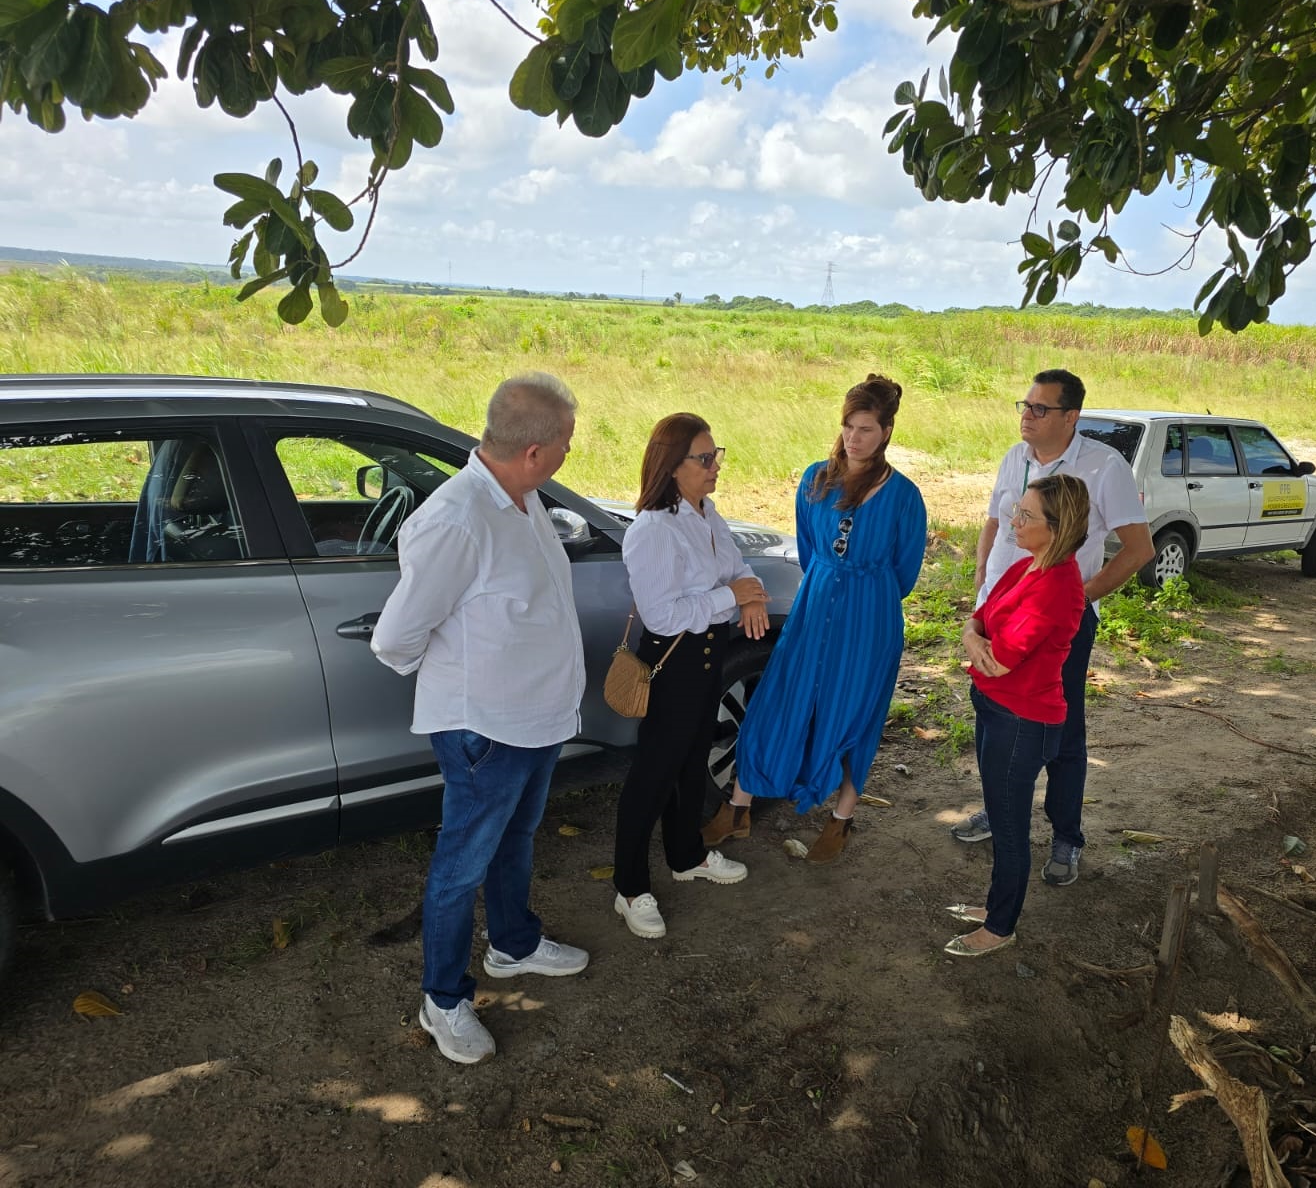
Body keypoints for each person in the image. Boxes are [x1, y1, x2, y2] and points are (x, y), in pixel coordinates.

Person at [371, 373, 591, 1066]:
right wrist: (467, 684)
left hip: (535, 718)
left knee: (515, 840)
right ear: (534, 451)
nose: (566, 456)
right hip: (486, 729)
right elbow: (397, 638)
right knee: (461, 865)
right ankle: (442, 999)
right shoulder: (459, 518)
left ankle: (513, 944)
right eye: (564, 445)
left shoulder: (518, 500)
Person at [706, 373, 927, 863]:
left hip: (870, 619)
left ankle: (840, 820)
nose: (854, 437)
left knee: (853, 714)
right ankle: (737, 809)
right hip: (815, 604)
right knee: (779, 701)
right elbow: (809, 550)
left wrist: (859, 590)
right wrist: (832, 581)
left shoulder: (904, 496)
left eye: (866, 428)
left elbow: (905, 571)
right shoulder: (815, 479)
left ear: (887, 431)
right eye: (849, 426)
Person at [951, 369, 1154, 887]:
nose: (1027, 415)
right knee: (994, 716)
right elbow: (995, 523)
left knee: (1058, 730)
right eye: (1025, 404)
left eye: (1040, 408)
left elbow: (1138, 550)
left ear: (1071, 417)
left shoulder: (1103, 467)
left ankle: (1066, 837)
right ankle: (999, 815)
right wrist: (982, 582)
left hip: (1054, 621)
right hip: (999, 609)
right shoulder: (1014, 459)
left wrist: (1073, 600)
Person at [611, 414, 768, 939]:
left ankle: (687, 856)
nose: (715, 465)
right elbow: (663, 615)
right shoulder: (654, 529)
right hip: (672, 662)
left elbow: (736, 565)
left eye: (715, 454)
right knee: (652, 777)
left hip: (708, 657)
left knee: (689, 765)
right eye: (704, 458)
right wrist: (731, 598)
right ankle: (629, 888)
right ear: (673, 466)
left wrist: (749, 593)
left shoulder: (707, 513)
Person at [945, 474, 1090, 955]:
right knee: (1002, 815)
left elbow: (1001, 657)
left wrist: (973, 638)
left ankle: (1000, 927)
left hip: (1023, 721)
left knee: (1009, 830)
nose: (1013, 520)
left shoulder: (1057, 586)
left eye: (1026, 515)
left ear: (1058, 526)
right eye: (1017, 509)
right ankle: (994, 905)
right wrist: (973, 635)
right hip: (995, 706)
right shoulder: (1026, 567)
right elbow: (979, 618)